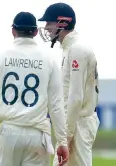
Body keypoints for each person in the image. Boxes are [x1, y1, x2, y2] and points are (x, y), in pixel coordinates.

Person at [0, 12, 69, 166]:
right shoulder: (49, 59)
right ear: (35, 32)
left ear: (13, 31)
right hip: (37, 134)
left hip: (8, 131)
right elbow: (56, 105)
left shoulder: (0, 57)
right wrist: (62, 141)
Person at [38, 3, 100, 166]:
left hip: (78, 124)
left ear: (62, 23)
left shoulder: (77, 50)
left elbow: (76, 97)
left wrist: (66, 137)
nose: (46, 28)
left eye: (49, 23)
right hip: (73, 123)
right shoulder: (68, 48)